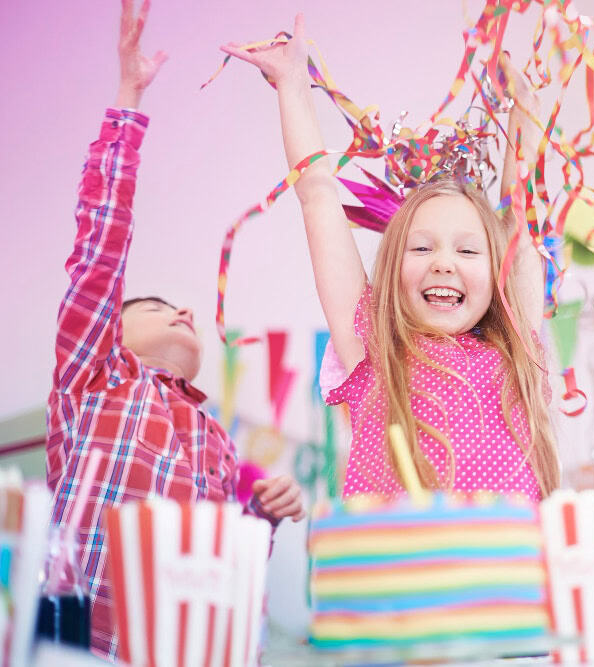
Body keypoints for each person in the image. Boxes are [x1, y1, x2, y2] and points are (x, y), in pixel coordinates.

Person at [46, 1, 307, 657]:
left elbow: (224, 564)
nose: (184, 310)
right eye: (158, 304)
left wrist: (261, 520)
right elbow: (99, 251)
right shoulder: (94, 376)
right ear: (111, 325)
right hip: (83, 641)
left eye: (182, 307)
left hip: (182, 647)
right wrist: (127, 99)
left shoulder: (216, 439)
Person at [221, 15, 559, 501]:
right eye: (422, 248)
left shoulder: (516, 356)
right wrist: (293, 87)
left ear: (497, 273)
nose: (444, 262)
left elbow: (520, 225)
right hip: (393, 570)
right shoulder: (374, 346)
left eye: (467, 250)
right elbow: (319, 200)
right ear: (393, 271)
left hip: (508, 571)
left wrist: (525, 109)